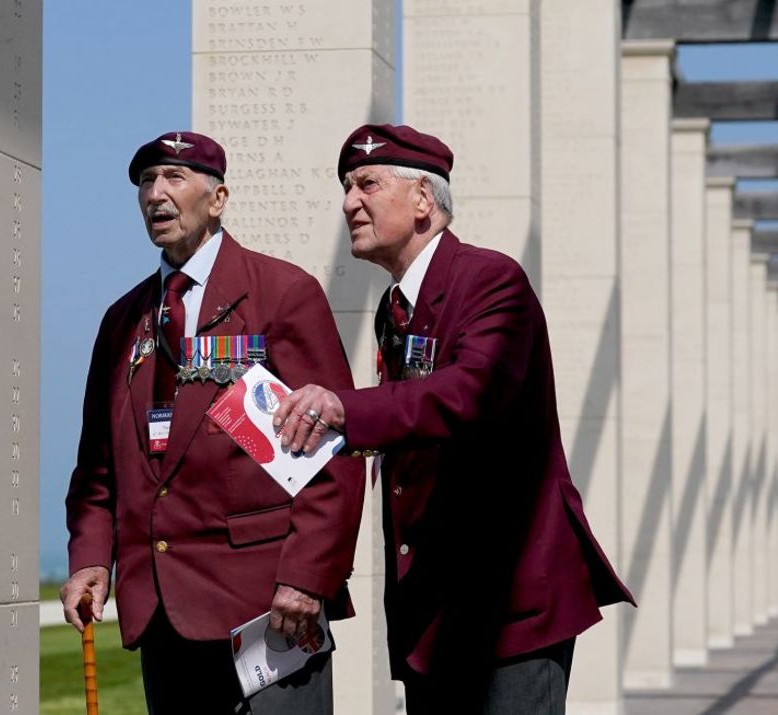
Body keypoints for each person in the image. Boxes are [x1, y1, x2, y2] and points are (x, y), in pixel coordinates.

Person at [274, 123, 635, 713]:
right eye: (345, 187)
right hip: (434, 610)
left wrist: (346, 408)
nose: (348, 203)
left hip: (510, 603)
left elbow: (469, 391)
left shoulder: (491, 280)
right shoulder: (394, 309)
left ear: (423, 200)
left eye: (367, 183)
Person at [62, 131, 365, 715]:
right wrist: (90, 559)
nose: (156, 193)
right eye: (147, 181)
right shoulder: (122, 320)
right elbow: (97, 466)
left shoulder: (281, 293)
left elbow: (336, 454)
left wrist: (307, 577)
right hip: (162, 614)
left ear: (218, 198)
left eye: (174, 178)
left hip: (269, 611)